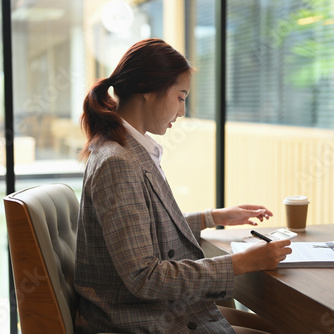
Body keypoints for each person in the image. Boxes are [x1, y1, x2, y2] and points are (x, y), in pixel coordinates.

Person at [74, 38, 292, 334]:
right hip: (137, 321)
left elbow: (144, 230)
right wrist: (238, 263)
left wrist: (214, 217)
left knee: (279, 325)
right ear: (148, 91)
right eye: (181, 96)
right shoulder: (119, 161)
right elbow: (145, 277)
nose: (182, 111)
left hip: (157, 313)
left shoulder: (125, 149)